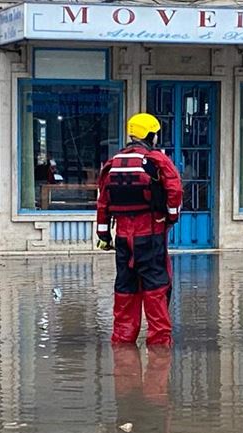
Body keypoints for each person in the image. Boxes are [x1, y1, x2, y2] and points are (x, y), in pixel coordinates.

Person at [96, 113, 183, 346]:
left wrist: (103, 235)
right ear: (151, 135)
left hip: (123, 237)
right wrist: (171, 218)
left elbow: (103, 202)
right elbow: (175, 192)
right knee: (156, 288)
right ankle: (159, 346)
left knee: (125, 288)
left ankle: (123, 344)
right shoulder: (157, 161)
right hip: (151, 234)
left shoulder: (112, 163)